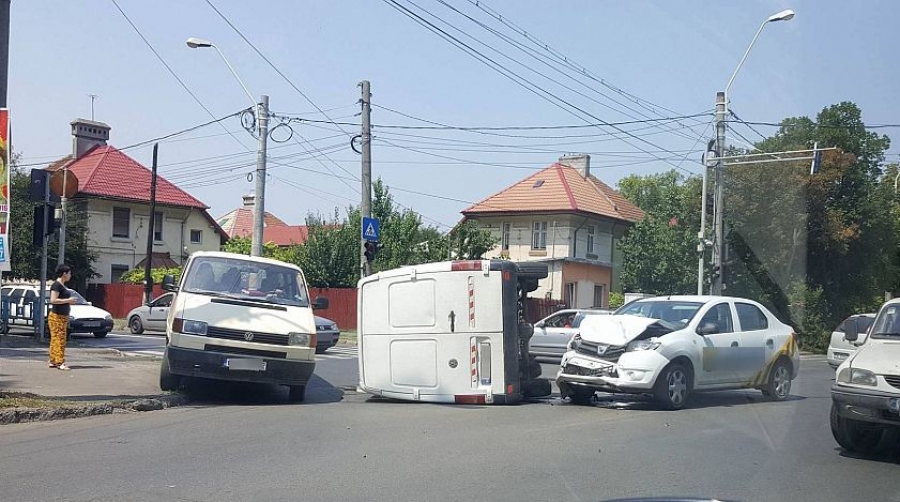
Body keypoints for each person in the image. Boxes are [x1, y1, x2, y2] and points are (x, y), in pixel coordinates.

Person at [48, 264, 77, 370]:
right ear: (64, 274)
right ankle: (60, 362)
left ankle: (53, 360)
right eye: (69, 273)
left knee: (56, 338)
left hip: (62, 316)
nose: (70, 275)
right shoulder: (57, 285)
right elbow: (53, 300)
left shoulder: (62, 285)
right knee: (59, 338)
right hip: (57, 316)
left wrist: (68, 302)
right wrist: (68, 300)